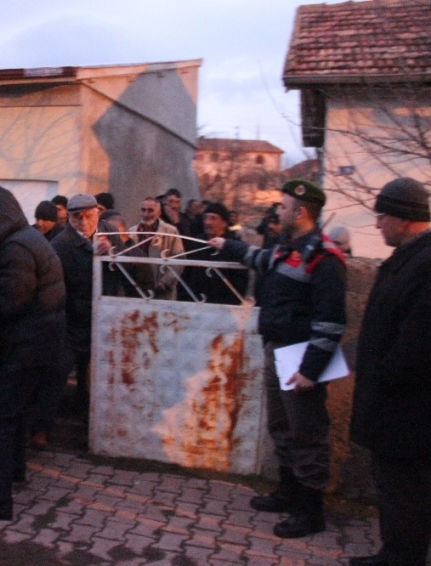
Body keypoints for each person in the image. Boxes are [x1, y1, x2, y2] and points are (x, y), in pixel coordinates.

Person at [209, 179, 346, 538]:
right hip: (279, 349)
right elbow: (257, 258)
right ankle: (288, 493)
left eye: (282, 207)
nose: (277, 212)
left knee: (307, 434)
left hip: (301, 358)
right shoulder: (289, 248)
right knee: (282, 429)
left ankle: (310, 512)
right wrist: (227, 244)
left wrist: (310, 371)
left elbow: (331, 322)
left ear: (300, 212)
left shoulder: (324, 257)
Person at [0, 186, 66, 520]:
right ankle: (12, 471)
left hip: (28, 343)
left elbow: (11, 302)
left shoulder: (15, 246)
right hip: (41, 340)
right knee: (17, 413)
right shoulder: (27, 238)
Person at [348, 178, 431, 566]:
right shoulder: (411, 258)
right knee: (396, 489)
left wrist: (385, 379)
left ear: (402, 218)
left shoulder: (425, 264)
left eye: (382, 216)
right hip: (397, 405)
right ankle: (394, 553)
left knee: (406, 491)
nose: (378, 224)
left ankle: (402, 559)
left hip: (408, 410)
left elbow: (418, 343)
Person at [51, 194, 111, 416]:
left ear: (97, 214)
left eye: (88, 216)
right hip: (69, 321)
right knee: (57, 374)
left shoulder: (109, 235)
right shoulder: (60, 245)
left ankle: (88, 423)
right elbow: (53, 287)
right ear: (68, 217)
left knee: (92, 377)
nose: (84, 223)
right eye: (77, 217)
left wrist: (111, 251)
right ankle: (42, 427)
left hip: (99, 320)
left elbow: (135, 266)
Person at [179, 202, 248, 305]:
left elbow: (240, 282)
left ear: (224, 223)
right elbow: (185, 274)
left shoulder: (233, 247)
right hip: (194, 304)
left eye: (213, 218)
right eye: (206, 218)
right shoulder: (196, 243)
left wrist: (231, 305)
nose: (208, 222)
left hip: (222, 307)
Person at [130, 196, 184, 300]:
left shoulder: (171, 232)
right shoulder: (132, 232)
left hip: (161, 292)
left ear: (159, 213)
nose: (146, 214)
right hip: (138, 290)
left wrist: (165, 281)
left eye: (150, 210)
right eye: (143, 210)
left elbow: (179, 260)